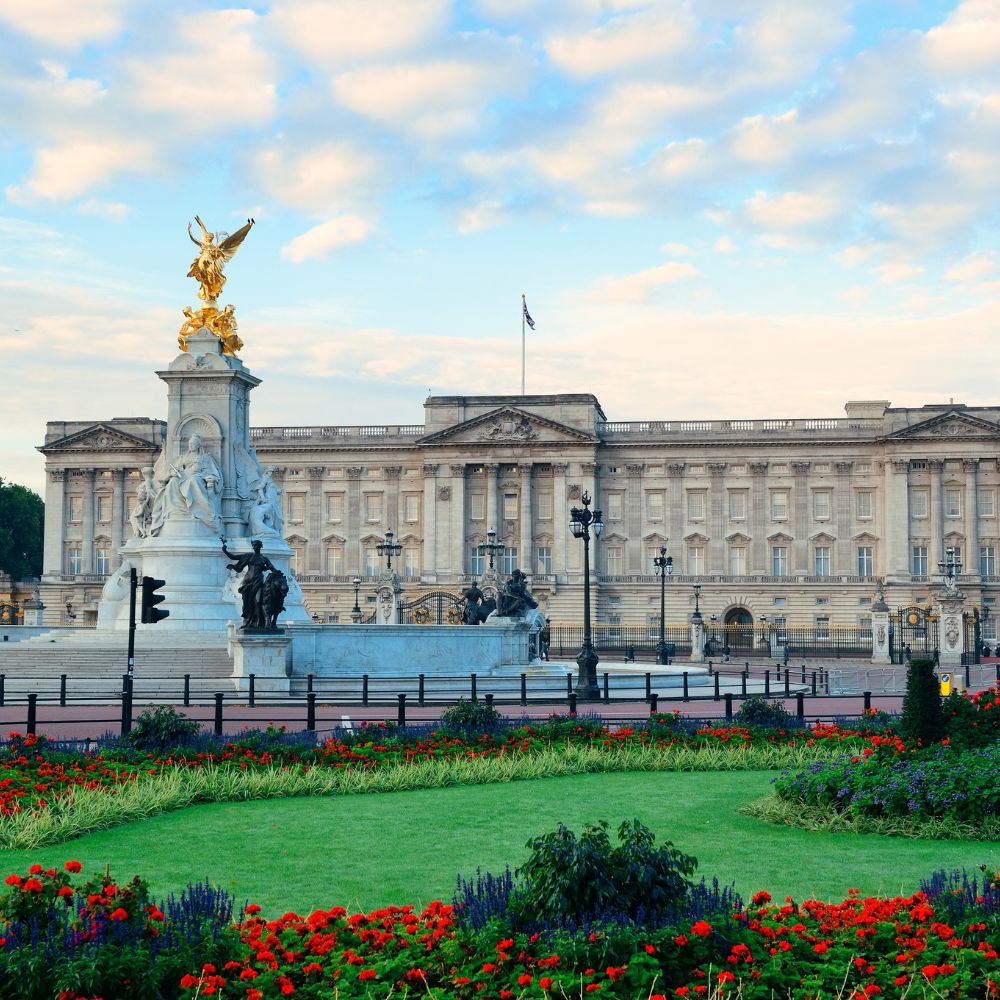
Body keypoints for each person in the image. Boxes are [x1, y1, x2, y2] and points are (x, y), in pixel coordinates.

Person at [149, 432, 223, 535]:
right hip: (183, 476)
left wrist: (205, 474)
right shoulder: (183, 457)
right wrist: (173, 472)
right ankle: (176, 511)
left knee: (193, 481)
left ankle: (197, 511)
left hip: (198, 477)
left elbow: (212, 472)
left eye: (193, 444)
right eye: (190, 443)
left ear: (198, 445)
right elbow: (175, 468)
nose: (190, 445)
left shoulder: (205, 457)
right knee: (172, 482)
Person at [222, 538, 276, 629]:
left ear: (260, 547)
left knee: (259, 601)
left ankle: (260, 622)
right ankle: (247, 621)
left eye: (256, 545)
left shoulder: (264, 558)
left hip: (258, 581)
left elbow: (271, 567)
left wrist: (277, 572)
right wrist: (225, 551)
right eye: (254, 545)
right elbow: (234, 557)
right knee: (247, 602)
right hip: (248, 582)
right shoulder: (249, 556)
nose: (255, 547)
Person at [128, 467, 157, 538]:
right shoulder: (149, 481)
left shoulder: (148, 481)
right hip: (142, 503)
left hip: (143, 504)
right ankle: (138, 533)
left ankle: (139, 534)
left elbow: (149, 491)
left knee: (134, 519)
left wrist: (146, 501)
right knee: (134, 519)